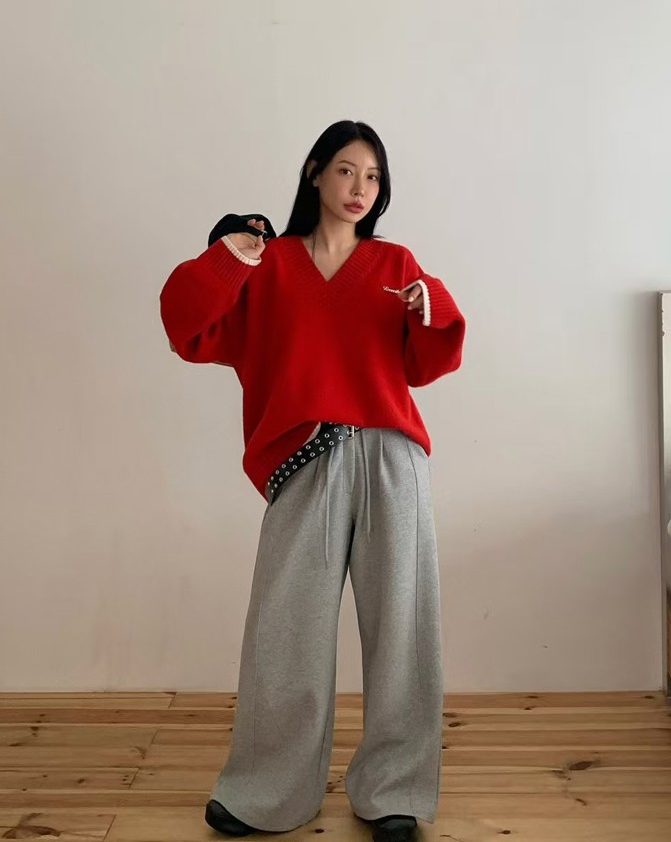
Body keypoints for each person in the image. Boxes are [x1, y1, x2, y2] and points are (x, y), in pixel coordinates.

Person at [159, 119, 466, 841]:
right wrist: (229, 257)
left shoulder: (395, 263)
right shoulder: (268, 263)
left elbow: (430, 360)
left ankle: (394, 791)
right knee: (285, 630)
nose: (361, 188)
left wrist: (430, 304)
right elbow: (186, 327)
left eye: (373, 177)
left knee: (402, 627)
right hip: (306, 458)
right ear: (315, 172)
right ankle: (267, 790)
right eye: (347, 170)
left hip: (391, 456)